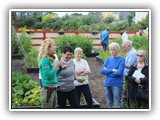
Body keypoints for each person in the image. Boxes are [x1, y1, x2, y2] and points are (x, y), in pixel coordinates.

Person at [38, 38, 63, 108]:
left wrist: (60, 68)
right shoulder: (45, 60)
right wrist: (56, 66)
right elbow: (47, 77)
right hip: (47, 91)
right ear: (48, 48)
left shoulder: (50, 60)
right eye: (54, 45)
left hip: (53, 89)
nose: (56, 47)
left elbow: (53, 74)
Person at [100, 42, 125, 108]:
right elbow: (102, 71)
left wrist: (107, 71)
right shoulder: (108, 59)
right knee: (109, 102)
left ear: (117, 50)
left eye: (113, 50)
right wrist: (112, 70)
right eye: (110, 50)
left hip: (117, 84)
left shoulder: (122, 59)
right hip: (107, 83)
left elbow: (119, 72)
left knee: (117, 103)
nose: (111, 52)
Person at [122, 40, 137, 105]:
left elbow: (130, 66)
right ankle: (126, 103)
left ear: (129, 46)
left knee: (128, 90)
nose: (123, 49)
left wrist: (120, 63)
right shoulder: (130, 52)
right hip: (127, 74)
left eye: (124, 47)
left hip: (130, 75)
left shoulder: (133, 53)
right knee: (126, 89)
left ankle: (127, 105)